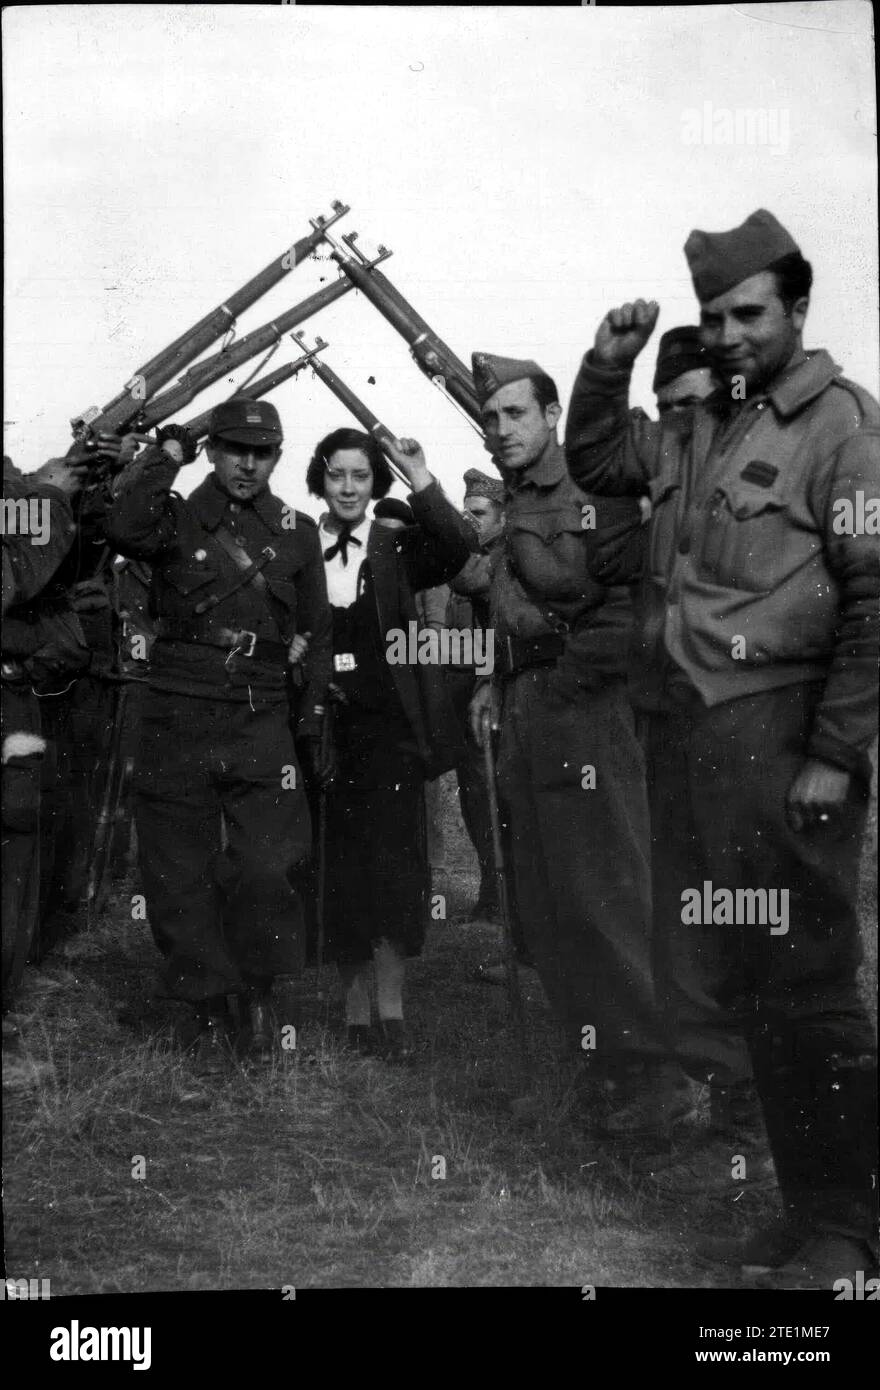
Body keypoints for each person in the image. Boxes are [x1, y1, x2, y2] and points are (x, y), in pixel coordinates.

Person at [565, 208, 879, 1286]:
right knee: (751, 984)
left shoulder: (840, 427)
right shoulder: (713, 421)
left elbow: (874, 597)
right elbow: (604, 462)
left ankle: (845, 1231)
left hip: (784, 731)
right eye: (713, 317)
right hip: (699, 735)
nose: (730, 332)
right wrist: (604, 371)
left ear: (797, 309)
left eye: (749, 312)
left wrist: (835, 750)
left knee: (810, 980)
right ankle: (805, 1216)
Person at [468, 352, 693, 1134]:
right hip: (529, 705)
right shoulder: (519, 499)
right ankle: (600, 1071)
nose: (502, 430)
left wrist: (560, 688)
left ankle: (660, 1084)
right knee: (548, 899)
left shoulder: (593, 489)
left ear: (552, 414)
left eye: (516, 414)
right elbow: (509, 609)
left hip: (587, 709)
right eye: (491, 417)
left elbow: (627, 613)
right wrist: (496, 686)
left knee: (608, 896)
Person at [105, 400, 333, 1068]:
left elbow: (317, 635)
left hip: (260, 711)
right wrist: (164, 456)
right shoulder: (173, 516)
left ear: (278, 457)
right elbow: (122, 525)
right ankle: (208, 1007)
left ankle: (259, 991)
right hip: (178, 705)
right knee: (178, 869)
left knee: (268, 862)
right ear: (213, 450)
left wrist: (313, 716)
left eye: (262, 452)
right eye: (235, 449)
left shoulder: (298, 531)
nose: (248, 464)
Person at [305, 426, 475, 1059]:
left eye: (361, 476)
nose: (348, 488)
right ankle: (354, 1013)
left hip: (391, 735)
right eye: (336, 475)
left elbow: (460, 546)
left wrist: (420, 475)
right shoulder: (300, 544)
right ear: (319, 479)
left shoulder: (397, 547)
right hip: (326, 735)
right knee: (340, 869)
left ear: (376, 482)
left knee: (396, 870)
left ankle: (393, 1013)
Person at [2, 448, 90, 1007]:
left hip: (12, 691)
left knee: (16, 839)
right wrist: (53, 496)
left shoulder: (16, 489)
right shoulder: (29, 499)